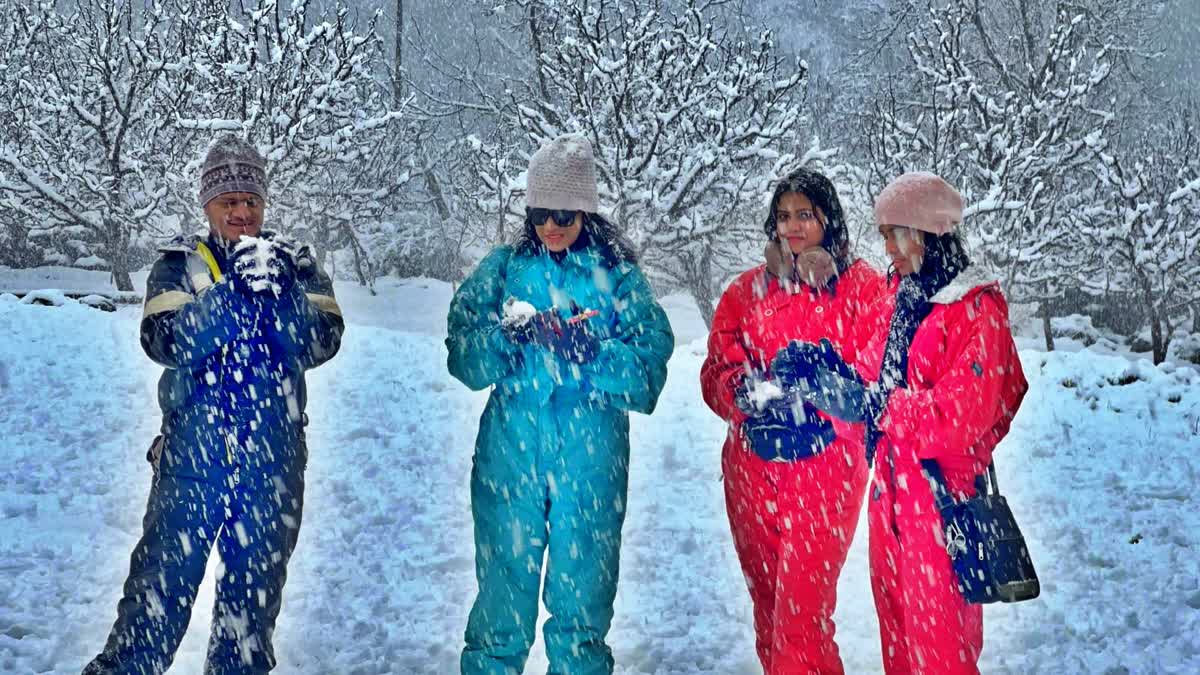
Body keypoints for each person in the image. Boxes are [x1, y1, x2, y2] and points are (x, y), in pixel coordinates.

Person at [83, 135, 344, 674]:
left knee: (251, 608)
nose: (242, 213)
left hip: (271, 465)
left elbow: (323, 340)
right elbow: (164, 340)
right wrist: (231, 297)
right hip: (191, 460)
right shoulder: (178, 265)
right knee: (158, 590)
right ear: (208, 206)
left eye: (251, 201)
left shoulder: (296, 264)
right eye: (229, 202)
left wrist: (282, 297)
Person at [445, 133, 674, 674]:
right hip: (510, 461)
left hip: (589, 468)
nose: (552, 225)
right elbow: (461, 356)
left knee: (580, 619)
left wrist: (593, 352)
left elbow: (648, 372)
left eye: (566, 215)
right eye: (541, 212)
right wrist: (511, 337)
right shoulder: (502, 270)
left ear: (587, 213)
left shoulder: (617, 278)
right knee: (501, 609)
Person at [782, 172, 1028, 674]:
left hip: (943, 502)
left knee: (941, 654)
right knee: (898, 647)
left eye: (895, 233)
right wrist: (824, 370)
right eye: (883, 234)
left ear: (930, 233)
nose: (887, 248)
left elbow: (956, 416)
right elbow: (869, 379)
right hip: (891, 500)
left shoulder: (975, 309)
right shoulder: (907, 303)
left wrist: (875, 405)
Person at [699, 168, 885, 674]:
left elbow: (874, 379)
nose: (793, 227)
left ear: (829, 219)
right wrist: (745, 394)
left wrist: (821, 396)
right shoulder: (747, 291)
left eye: (805, 214)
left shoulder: (861, 288)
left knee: (801, 623)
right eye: (783, 216)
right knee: (771, 617)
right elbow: (717, 368)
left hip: (825, 471)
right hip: (752, 470)